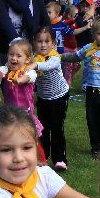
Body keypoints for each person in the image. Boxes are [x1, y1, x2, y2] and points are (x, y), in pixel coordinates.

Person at [62, 17, 100, 158]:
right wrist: (59, 57)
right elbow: (75, 57)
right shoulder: (89, 49)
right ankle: (97, 148)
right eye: (99, 34)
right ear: (93, 34)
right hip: (91, 89)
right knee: (92, 120)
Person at [32, 27, 69, 171]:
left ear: (53, 44)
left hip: (59, 97)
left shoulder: (55, 57)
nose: (43, 45)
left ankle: (60, 159)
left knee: (57, 128)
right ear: (34, 43)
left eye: (46, 41)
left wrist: (34, 65)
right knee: (43, 129)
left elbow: (48, 66)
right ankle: (43, 157)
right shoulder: (34, 58)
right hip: (43, 98)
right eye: (39, 41)